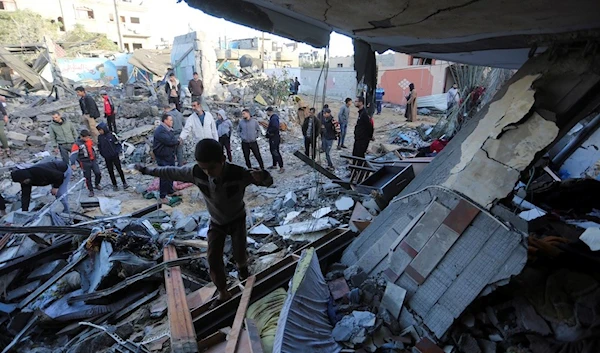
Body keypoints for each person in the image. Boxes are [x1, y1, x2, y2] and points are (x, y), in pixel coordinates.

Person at [135, 139, 273, 304]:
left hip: (237, 219)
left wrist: (263, 175)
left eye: (212, 168)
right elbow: (171, 172)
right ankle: (223, 292)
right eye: (204, 168)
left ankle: (245, 277)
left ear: (222, 160)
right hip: (217, 222)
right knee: (213, 258)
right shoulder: (196, 173)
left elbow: (268, 182)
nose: (208, 173)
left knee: (240, 253)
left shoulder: (240, 173)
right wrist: (146, 170)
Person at [153, 114, 180, 203]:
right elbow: (169, 141)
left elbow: (172, 140)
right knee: (164, 175)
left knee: (171, 173)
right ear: (165, 121)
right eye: (170, 120)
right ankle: (162, 196)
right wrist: (178, 141)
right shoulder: (160, 131)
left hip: (169, 155)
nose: (172, 122)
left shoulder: (168, 130)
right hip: (162, 156)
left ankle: (170, 191)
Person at [97, 123, 129, 191]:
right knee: (110, 171)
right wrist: (103, 154)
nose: (100, 132)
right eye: (99, 130)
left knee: (119, 170)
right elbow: (99, 147)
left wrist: (116, 152)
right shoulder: (100, 137)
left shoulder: (112, 135)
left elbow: (118, 144)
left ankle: (124, 183)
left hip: (115, 156)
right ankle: (114, 185)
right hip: (107, 157)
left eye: (100, 130)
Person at [266, 107, 284, 173]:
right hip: (273, 137)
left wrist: (269, 132)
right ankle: (274, 165)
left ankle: (281, 167)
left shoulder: (274, 118)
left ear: (269, 111)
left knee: (275, 151)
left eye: (267, 112)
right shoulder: (273, 118)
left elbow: (275, 127)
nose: (266, 113)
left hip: (274, 137)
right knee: (273, 151)